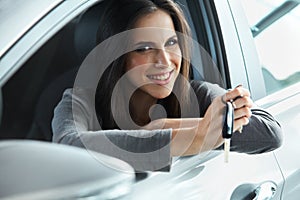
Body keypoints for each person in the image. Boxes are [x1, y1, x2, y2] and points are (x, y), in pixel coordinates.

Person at [52, 0, 282, 172]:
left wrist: (163, 126)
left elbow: (269, 133)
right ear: (118, 57)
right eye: (143, 48)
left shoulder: (198, 94)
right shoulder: (80, 101)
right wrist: (196, 135)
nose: (164, 61)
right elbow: (69, 146)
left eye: (171, 42)